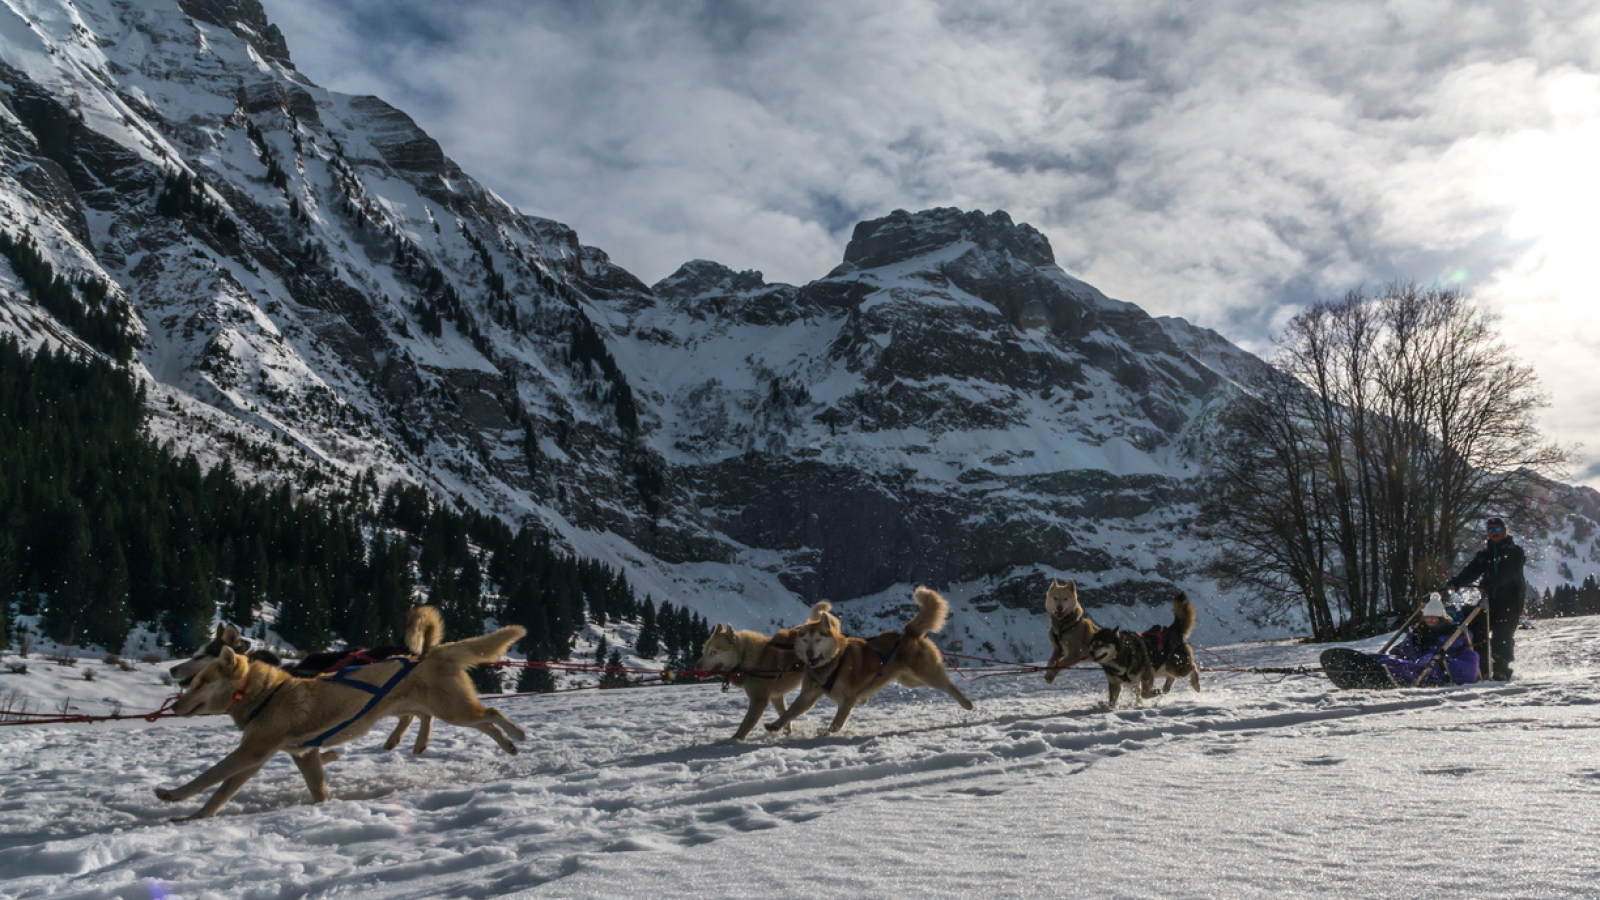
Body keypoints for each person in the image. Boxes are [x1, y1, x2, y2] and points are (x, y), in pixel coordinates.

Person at [1447, 516, 1527, 681]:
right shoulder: (1485, 554)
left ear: (1505, 531)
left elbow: (1509, 574)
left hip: (1511, 600)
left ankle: (1502, 669)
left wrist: (1489, 583)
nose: (1494, 533)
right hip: (1490, 601)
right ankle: (1481, 668)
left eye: (1497, 529)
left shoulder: (1515, 552)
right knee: (1478, 632)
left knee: (1502, 634)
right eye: (1490, 530)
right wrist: (1457, 582)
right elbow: (1471, 571)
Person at [1366, 594, 1480, 687]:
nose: (1430, 620)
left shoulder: (1451, 631)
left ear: (1441, 618)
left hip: (1437, 664)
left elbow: (1453, 648)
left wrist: (1431, 655)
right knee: (1383, 659)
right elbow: (1406, 646)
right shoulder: (1420, 630)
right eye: (1427, 617)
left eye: (1433, 617)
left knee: (1405, 667)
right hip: (1418, 658)